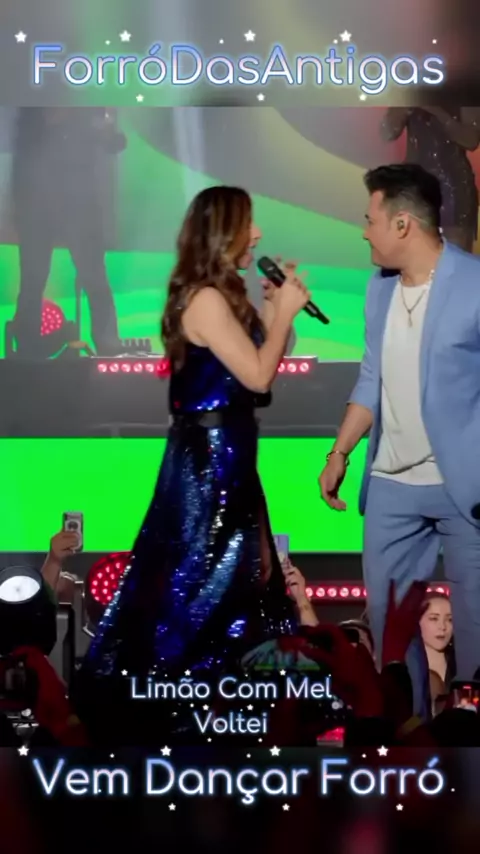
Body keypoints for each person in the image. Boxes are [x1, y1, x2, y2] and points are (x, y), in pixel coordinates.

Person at [82, 185, 310, 687]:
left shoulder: (222, 295)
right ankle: (186, 687)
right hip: (208, 460)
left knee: (248, 572)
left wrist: (275, 308)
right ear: (225, 232)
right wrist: (284, 315)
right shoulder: (204, 299)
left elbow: (264, 356)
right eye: (249, 224)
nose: (258, 234)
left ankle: (235, 681)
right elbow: (258, 375)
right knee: (206, 576)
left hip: (232, 454)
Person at [318, 163, 480, 719]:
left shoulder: (473, 284)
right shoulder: (379, 288)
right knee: (392, 633)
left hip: (464, 487)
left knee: (474, 631)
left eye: (371, 220)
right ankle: (408, 736)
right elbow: (372, 376)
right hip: (390, 483)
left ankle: (468, 741)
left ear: (403, 224)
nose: (364, 232)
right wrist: (339, 453)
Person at [11, 107, 124, 357]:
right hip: (36, 209)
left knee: (94, 276)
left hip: (79, 208)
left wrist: (106, 129)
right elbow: (21, 165)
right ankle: (28, 345)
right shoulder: (30, 118)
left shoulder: (85, 113)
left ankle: (106, 340)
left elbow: (115, 143)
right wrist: (19, 209)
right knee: (32, 280)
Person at [381, 108, 480, 252]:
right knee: (412, 252)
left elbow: (471, 140)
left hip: (453, 187)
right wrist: (403, 108)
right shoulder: (412, 95)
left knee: (455, 254)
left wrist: (439, 113)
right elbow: (387, 133)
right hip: (416, 186)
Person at [419, 591, 455, 686]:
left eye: (449, 620)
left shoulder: (463, 665)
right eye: (434, 619)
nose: (442, 626)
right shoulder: (405, 667)